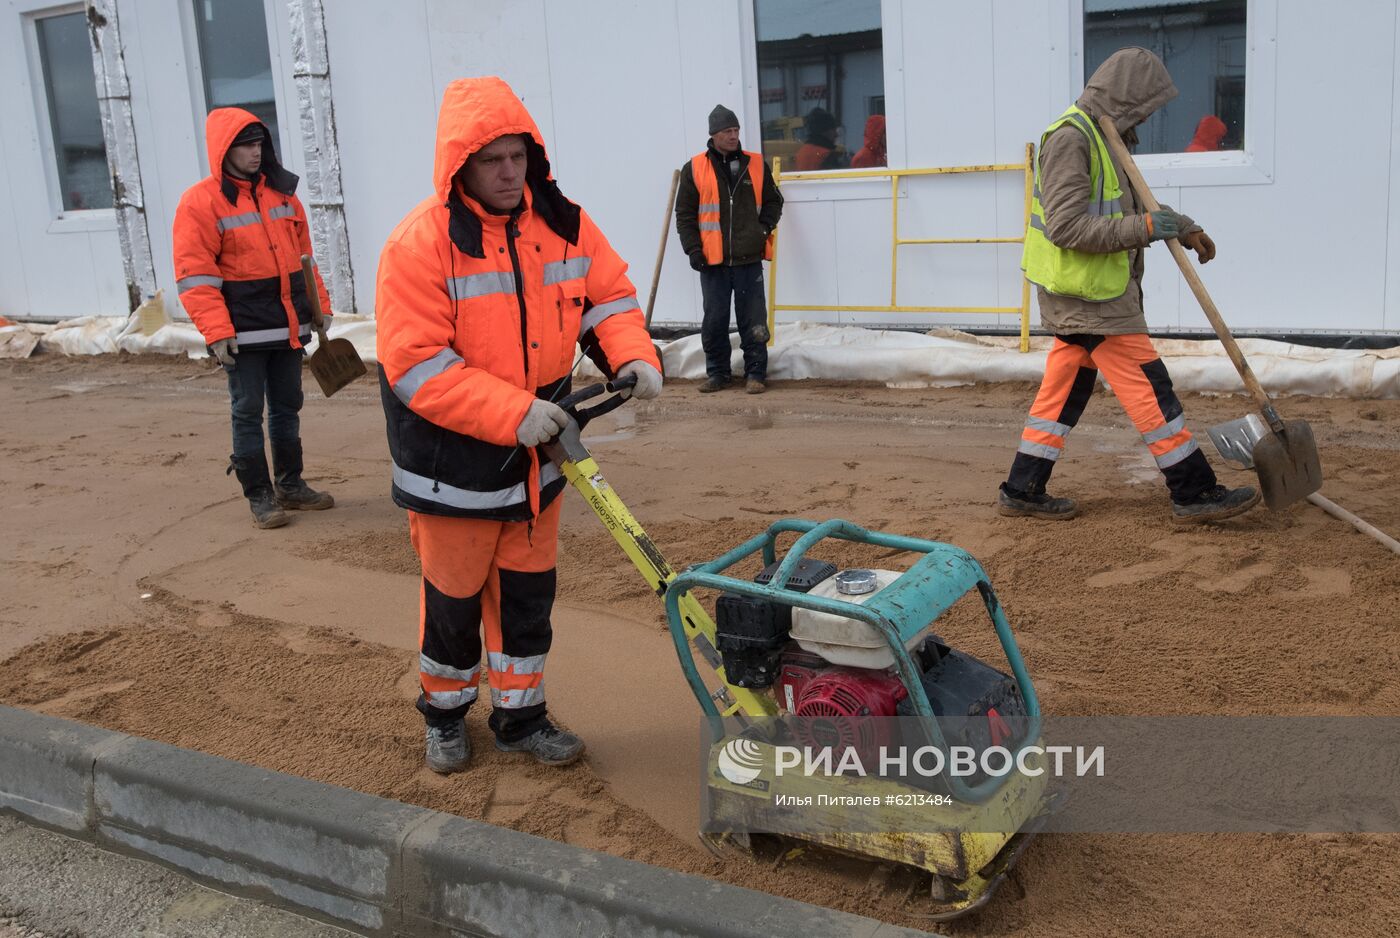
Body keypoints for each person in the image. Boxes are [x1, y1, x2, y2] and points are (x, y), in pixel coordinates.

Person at [375, 77, 663, 774]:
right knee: (453, 607)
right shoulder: (422, 245)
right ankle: (444, 715)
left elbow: (609, 296)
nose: (510, 172)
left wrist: (631, 353)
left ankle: (520, 717)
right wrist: (513, 413)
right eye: (492, 160)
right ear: (460, 168)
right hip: (455, 467)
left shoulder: (562, 221)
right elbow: (416, 366)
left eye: (518, 156)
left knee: (528, 602)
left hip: (541, 459)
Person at [1004, 47, 1259, 524]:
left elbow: (1127, 203)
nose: (1147, 117)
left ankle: (1022, 487)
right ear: (1125, 98)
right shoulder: (1070, 139)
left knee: (1062, 392)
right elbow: (1067, 228)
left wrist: (1179, 224)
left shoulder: (1105, 134)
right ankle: (1194, 490)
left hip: (1084, 294)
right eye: (1144, 107)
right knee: (1149, 389)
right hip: (1091, 296)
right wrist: (1146, 228)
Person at [173, 108, 335, 530]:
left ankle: (290, 485)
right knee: (247, 410)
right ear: (223, 150)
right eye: (246, 145)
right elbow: (196, 276)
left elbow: (306, 261)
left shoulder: (284, 195)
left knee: (287, 407)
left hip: (287, 326)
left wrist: (320, 308)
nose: (255, 152)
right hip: (242, 331)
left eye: (259, 143)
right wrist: (217, 331)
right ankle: (260, 496)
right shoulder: (200, 203)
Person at [675, 104, 784, 394]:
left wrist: (762, 230)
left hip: (748, 258)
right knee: (715, 320)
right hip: (712, 261)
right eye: (728, 131)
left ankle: (756, 373)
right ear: (714, 135)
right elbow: (684, 214)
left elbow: (774, 201)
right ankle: (718, 373)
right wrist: (693, 249)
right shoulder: (695, 168)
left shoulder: (756, 164)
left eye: (736, 130)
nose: (734, 136)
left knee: (754, 320)